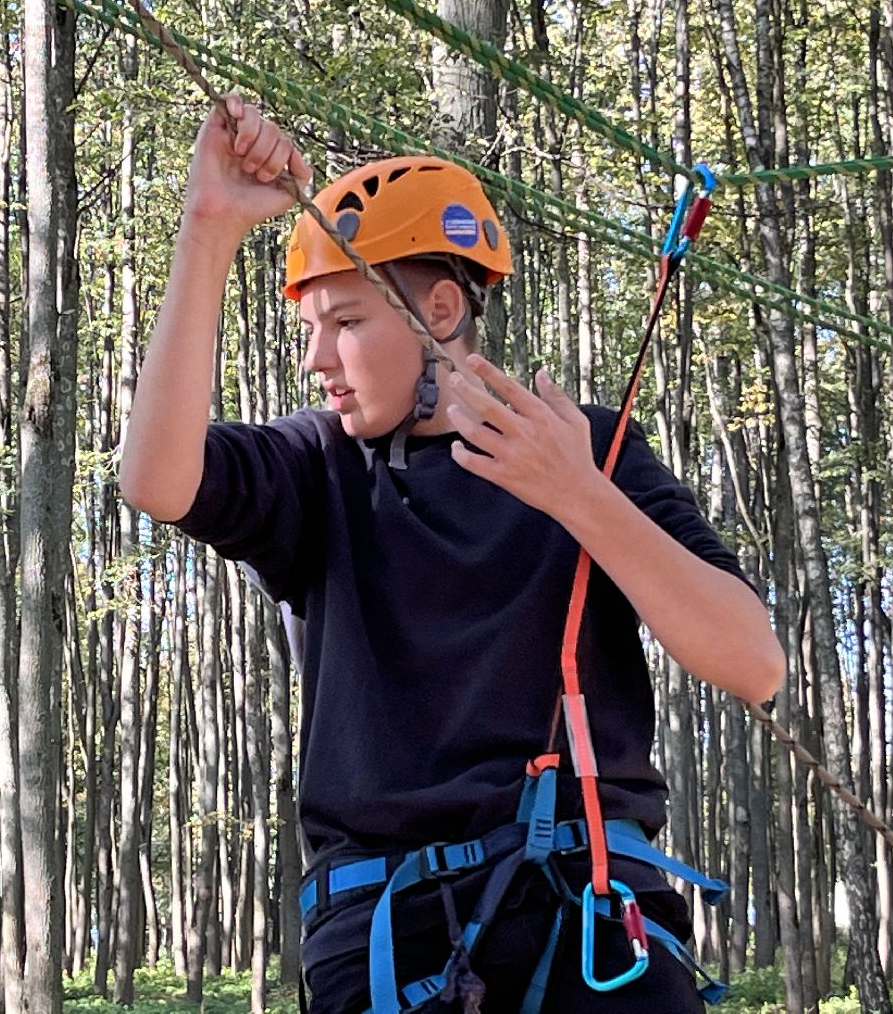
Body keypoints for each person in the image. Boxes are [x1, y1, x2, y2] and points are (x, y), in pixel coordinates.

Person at [120, 94, 786, 1013]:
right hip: (387, 942)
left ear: (439, 309)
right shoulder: (319, 469)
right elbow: (156, 479)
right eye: (309, 329)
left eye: (346, 321)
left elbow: (750, 661)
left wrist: (578, 495)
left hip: (585, 928)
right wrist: (208, 227)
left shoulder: (586, 446)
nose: (318, 357)